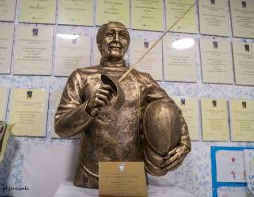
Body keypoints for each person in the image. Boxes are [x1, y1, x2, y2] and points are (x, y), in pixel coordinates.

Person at [54, 21, 191, 189]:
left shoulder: (143, 79)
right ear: (99, 43)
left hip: (132, 175)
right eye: (110, 34)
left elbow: (172, 111)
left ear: (127, 45)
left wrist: (184, 144)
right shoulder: (82, 76)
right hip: (89, 173)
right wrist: (88, 107)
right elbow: (61, 127)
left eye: (123, 35)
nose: (117, 39)